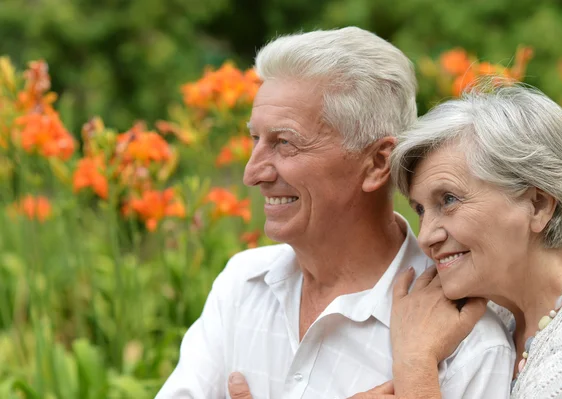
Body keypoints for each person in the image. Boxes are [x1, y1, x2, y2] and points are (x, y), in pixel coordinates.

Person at [155, 28, 515, 399]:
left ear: (378, 162)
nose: (252, 173)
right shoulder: (242, 285)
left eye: (284, 143)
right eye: (255, 140)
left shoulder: (468, 343)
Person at [388, 83, 562, 398]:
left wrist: (415, 365)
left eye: (448, 199)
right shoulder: (490, 314)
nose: (426, 237)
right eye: (420, 209)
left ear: (537, 205)